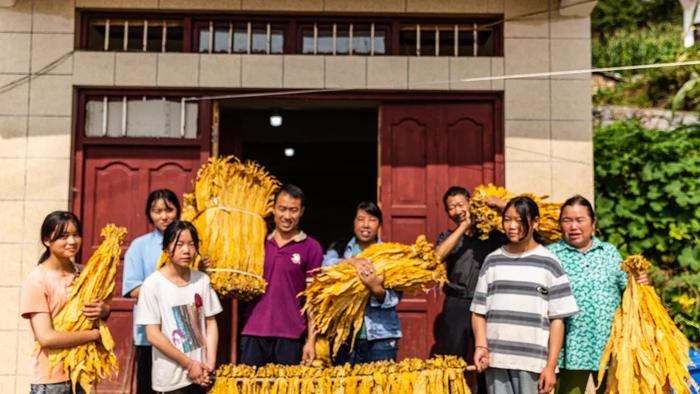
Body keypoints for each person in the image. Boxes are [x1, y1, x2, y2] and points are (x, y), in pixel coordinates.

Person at [471, 196, 579, 394]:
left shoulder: (550, 263)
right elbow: (478, 312)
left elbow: (557, 320)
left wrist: (550, 366)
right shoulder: (492, 261)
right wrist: (481, 346)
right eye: (507, 220)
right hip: (497, 361)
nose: (512, 226)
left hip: (534, 364)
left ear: (535, 223)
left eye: (520, 221)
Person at [548, 195, 648, 394]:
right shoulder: (551, 255)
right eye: (567, 221)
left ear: (593, 224)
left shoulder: (609, 252)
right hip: (570, 345)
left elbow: (626, 289)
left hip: (608, 343)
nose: (573, 226)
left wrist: (640, 283)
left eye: (579, 220)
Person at [20, 211, 111, 394]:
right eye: (63, 236)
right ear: (47, 240)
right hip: (52, 380)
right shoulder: (38, 280)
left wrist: (104, 310)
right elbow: (46, 337)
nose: (72, 241)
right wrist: (93, 335)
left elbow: (98, 314)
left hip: (84, 373)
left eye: (75, 234)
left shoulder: (85, 274)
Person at [239, 184, 323, 366]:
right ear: (273, 209)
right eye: (282, 209)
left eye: (293, 210)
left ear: (301, 212)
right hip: (253, 331)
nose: (286, 216)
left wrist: (311, 341)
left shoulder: (311, 248)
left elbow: (313, 299)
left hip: (290, 336)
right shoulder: (256, 241)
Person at [135, 220, 222, 394]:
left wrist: (209, 364)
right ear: (166, 248)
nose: (186, 250)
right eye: (179, 244)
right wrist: (189, 364)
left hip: (201, 375)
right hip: (170, 380)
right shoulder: (152, 285)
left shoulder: (202, 280)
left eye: (191, 244)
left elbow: (211, 322)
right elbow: (152, 335)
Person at [434, 186, 507, 393]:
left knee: (486, 359)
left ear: (470, 203)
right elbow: (437, 257)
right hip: (457, 303)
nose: (457, 210)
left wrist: (500, 205)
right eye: (451, 208)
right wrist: (463, 226)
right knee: (452, 358)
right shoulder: (448, 236)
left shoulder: (493, 236)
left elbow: (522, 220)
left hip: (487, 305)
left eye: (460, 204)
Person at [322, 201, 401, 365]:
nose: (366, 225)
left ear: (379, 224)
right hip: (344, 336)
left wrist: (376, 289)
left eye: (372, 220)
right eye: (361, 219)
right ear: (353, 222)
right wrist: (351, 262)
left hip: (380, 339)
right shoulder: (339, 249)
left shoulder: (389, 255)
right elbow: (325, 271)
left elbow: (395, 297)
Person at [123, 189, 181, 394]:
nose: (164, 216)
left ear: (178, 211)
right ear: (149, 214)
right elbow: (132, 289)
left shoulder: (187, 244)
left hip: (182, 333)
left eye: (169, 210)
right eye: (157, 211)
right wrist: (168, 291)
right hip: (150, 333)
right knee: (148, 387)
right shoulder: (139, 246)